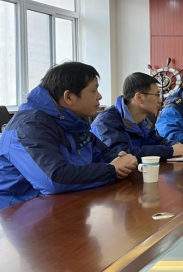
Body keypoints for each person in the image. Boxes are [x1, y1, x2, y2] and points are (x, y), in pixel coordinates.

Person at [0, 62, 137, 210]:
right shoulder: (29, 127)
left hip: (63, 205)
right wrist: (112, 169)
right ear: (69, 97)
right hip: (18, 212)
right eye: (93, 90)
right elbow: (54, 180)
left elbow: (105, 155)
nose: (99, 96)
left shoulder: (73, 121)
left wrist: (123, 162)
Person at [91, 73, 183, 161]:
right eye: (157, 95)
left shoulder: (142, 119)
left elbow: (155, 140)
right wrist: (170, 151)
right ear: (138, 97)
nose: (160, 100)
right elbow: (122, 154)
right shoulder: (106, 122)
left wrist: (174, 144)